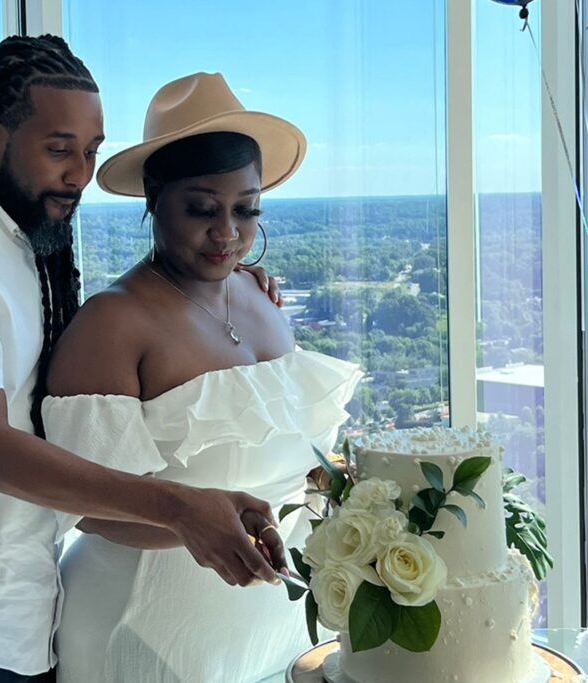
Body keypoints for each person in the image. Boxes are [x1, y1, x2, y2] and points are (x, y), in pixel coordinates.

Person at [0, 36, 287, 683]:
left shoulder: (16, 241)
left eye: (90, 152)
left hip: (17, 597)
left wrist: (235, 294)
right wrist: (182, 509)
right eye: (58, 148)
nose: (78, 172)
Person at [43, 73, 363, 683]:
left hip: (266, 625)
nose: (227, 233)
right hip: (142, 628)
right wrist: (194, 527)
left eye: (245, 210)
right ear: (153, 200)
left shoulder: (259, 297)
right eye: (201, 209)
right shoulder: (112, 324)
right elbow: (81, 504)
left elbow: (294, 458)